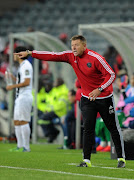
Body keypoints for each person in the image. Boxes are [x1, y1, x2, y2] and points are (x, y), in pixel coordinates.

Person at [15, 35, 126, 168]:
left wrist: (100, 89)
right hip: (87, 99)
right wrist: (30, 53)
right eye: (72, 45)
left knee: (113, 127)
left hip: (104, 98)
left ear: (84, 46)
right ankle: (86, 160)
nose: (73, 48)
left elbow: (111, 74)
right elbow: (52, 55)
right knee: (87, 129)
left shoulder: (96, 58)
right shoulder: (70, 56)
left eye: (77, 45)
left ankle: (121, 158)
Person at [6, 46, 33, 152]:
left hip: (25, 97)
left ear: (18, 54)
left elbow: (27, 82)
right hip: (20, 97)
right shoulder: (21, 66)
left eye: (14, 54)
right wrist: (14, 78)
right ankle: (19, 146)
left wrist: (12, 86)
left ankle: (26, 147)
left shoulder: (26, 66)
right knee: (17, 121)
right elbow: (22, 80)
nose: (13, 56)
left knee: (23, 121)